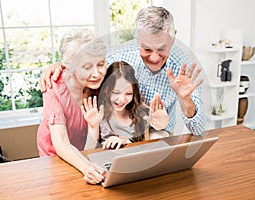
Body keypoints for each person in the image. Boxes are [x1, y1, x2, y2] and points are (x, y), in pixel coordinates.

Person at [39, 6, 206, 136]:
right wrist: (60, 66)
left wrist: (186, 100)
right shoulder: (119, 58)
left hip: (155, 132)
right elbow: (88, 64)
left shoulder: (183, 69)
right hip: (114, 134)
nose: (154, 58)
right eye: (147, 49)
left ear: (173, 36)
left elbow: (198, 129)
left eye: (161, 48)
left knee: (158, 137)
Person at [37, 29, 107, 185]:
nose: (96, 73)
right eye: (87, 67)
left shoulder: (98, 84)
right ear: (68, 68)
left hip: (86, 151)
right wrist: (86, 167)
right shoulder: (54, 86)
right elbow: (61, 142)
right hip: (55, 156)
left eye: (101, 64)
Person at [82, 61, 169, 150]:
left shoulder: (140, 111)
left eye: (128, 93)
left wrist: (161, 122)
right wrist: (93, 126)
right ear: (105, 90)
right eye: (115, 92)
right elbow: (88, 150)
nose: (122, 99)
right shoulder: (99, 114)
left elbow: (155, 131)